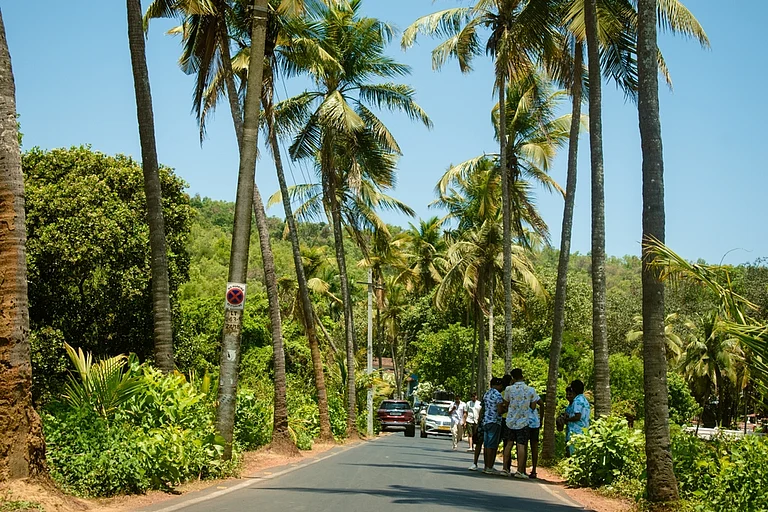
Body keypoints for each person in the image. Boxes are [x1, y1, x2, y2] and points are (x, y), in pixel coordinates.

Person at [501, 368, 539, 479]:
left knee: (508, 444)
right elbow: (533, 406)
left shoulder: (508, 389)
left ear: (512, 378)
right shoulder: (530, 390)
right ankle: (519, 471)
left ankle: (505, 469)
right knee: (521, 445)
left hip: (510, 421)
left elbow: (506, 404)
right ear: (522, 376)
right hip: (523, 421)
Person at [481, 377, 506, 475]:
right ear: (498, 385)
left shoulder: (487, 394)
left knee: (486, 444)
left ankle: (486, 466)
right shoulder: (498, 395)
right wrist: (506, 409)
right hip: (494, 421)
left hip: (486, 420)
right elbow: (500, 410)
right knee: (492, 445)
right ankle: (490, 466)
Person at [565, 380, 590, 456]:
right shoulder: (584, 400)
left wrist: (567, 419)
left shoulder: (577, 401)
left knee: (574, 454)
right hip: (584, 430)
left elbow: (577, 416)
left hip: (576, 432)